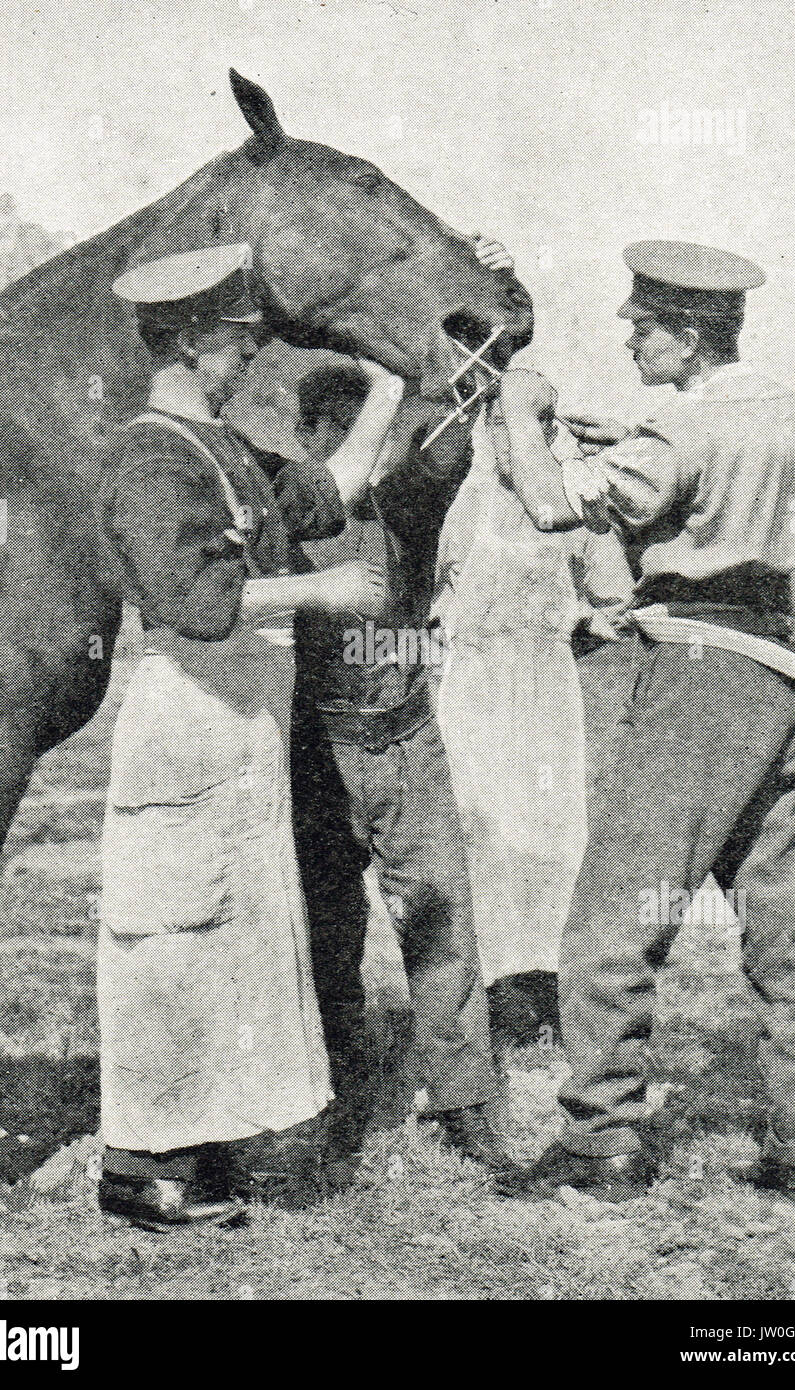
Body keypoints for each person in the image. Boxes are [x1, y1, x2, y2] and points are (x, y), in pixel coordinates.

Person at [496, 241, 795, 1203]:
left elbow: (548, 502)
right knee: (782, 926)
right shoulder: (787, 410)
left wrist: (522, 417)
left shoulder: (677, 429)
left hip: (695, 677)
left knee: (612, 919)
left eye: (642, 325)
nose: (627, 333)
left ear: (686, 337)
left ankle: (601, 1139)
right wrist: (634, 442)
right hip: (780, 669)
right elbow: (707, 484)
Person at [96, 247, 398, 1229]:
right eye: (234, 346)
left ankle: (205, 1145)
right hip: (187, 722)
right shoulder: (147, 455)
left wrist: (400, 383)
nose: (245, 364)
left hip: (242, 734)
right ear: (187, 341)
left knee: (233, 941)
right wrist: (320, 587)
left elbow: (330, 488)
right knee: (173, 943)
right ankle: (140, 1166)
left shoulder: (223, 447)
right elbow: (193, 598)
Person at [290, 354, 518, 1181]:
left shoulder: (409, 502)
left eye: (378, 434)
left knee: (438, 920)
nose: (369, 451)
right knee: (323, 931)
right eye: (345, 435)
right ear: (310, 437)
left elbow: (460, 425)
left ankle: (466, 1104)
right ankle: (338, 1084)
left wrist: (485, 325)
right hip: (309, 751)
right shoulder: (286, 510)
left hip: (404, 739)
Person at [431, 398, 632, 1043]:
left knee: (553, 838)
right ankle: (499, 997)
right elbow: (434, 600)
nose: (533, 436)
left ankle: (545, 994)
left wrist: (584, 617)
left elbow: (610, 595)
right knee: (487, 837)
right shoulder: (461, 498)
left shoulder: (567, 504)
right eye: (522, 421)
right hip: (474, 686)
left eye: (547, 420)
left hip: (547, 688)